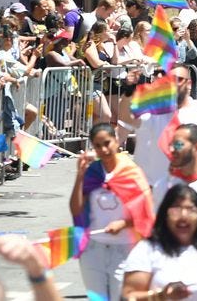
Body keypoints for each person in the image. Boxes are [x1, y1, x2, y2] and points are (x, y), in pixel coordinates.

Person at [70, 123, 154, 301]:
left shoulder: (132, 173)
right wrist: (80, 176)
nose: (103, 149)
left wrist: (123, 224)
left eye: (107, 143)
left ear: (116, 141)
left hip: (125, 249)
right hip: (93, 249)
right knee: (97, 298)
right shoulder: (91, 173)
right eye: (98, 146)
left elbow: (145, 213)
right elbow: (76, 210)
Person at [121, 184, 197, 301]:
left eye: (191, 210)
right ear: (165, 215)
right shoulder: (146, 250)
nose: (183, 216)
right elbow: (128, 297)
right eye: (176, 209)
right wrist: (162, 295)